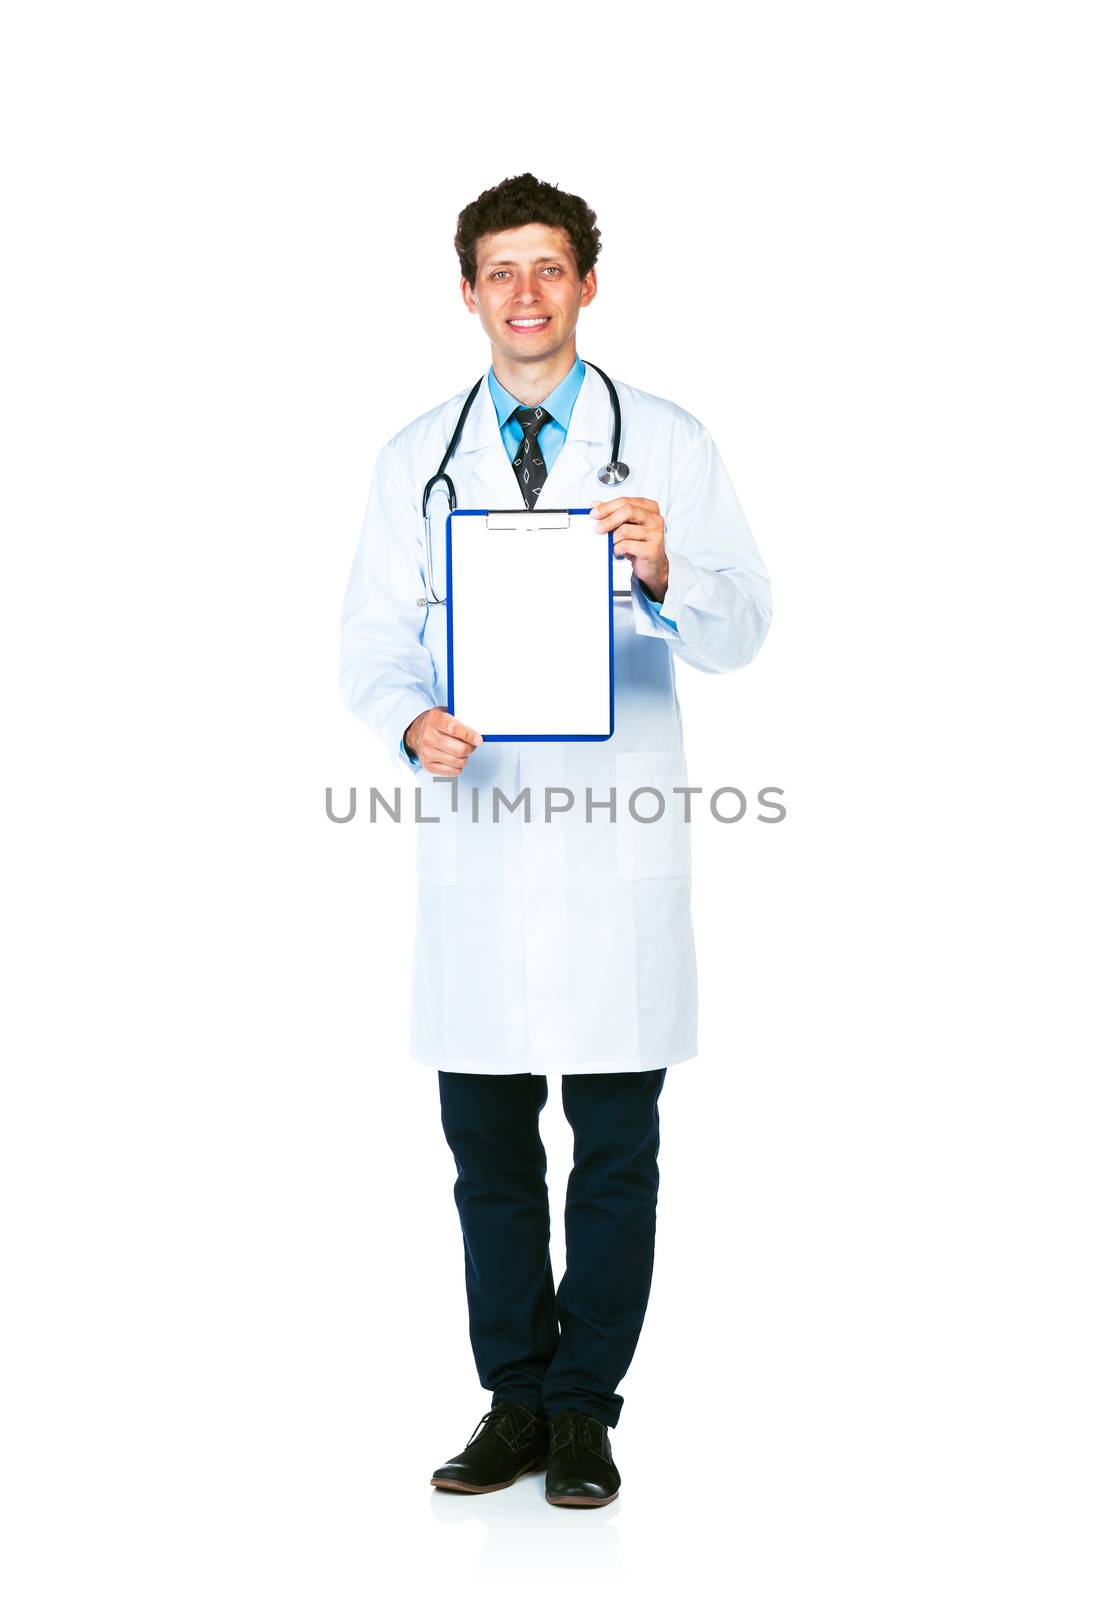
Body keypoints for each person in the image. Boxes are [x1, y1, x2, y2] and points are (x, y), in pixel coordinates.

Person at [339, 173, 772, 1507]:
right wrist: (414, 723)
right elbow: (370, 640)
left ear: (588, 282)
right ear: (467, 292)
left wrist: (662, 571)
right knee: (488, 1156)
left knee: (617, 1154)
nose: (526, 294)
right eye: (499, 271)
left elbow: (744, 627)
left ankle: (584, 1412)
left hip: (612, 852)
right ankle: (513, 1400)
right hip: (478, 847)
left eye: (550, 268)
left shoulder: (674, 447)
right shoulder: (420, 452)